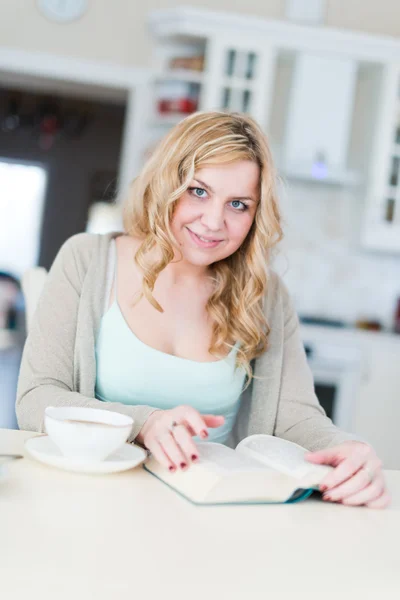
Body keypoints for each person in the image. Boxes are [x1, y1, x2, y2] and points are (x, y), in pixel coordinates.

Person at [16, 111, 389, 508]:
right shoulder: (87, 259)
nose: (214, 221)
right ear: (166, 184)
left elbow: (296, 417)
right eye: (198, 191)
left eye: (239, 205)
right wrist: (146, 423)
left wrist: (348, 449)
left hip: (213, 507)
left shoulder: (266, 294)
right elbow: (38, 398)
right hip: (92, 499)